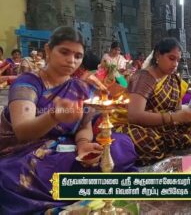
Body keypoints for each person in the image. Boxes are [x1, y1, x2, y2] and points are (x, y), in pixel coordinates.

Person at [0, 26, 138, 214]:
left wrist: (83, 145)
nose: (71, 60)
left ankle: (74, 186)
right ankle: (88, 185)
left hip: (67, 148)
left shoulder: (80, 87)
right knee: (11, 176)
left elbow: (84, 125)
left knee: (121, 144)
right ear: (48, 50)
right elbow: (22, 132)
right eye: (64, 52)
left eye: (77, 56)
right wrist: (53, 116)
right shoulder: (28, 82)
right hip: (26, 152)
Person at [112, 37, 191, 166]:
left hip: (165, 126)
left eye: (178, 60)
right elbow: (134, 116)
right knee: (141, 139)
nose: (175, 64)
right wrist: (174, 117)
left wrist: (187, 115)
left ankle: (169, 151)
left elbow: (177, 109)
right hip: (142, 127)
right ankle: (171, 154)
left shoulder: (174, 79)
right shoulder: (144, 78)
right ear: (158, 55)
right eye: (171, 58)